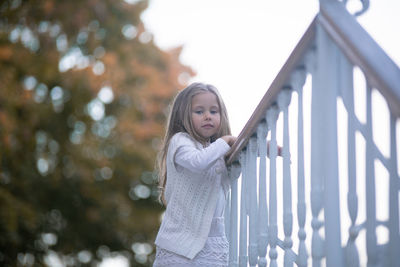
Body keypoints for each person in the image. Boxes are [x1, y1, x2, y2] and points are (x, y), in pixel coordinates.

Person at [153, 82, 236, 267]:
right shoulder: (180, 141)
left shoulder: (215, 150)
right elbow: (198, 162)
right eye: (199, 111)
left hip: (212, 240)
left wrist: (266, 148)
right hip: (179, 245)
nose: (207, 116)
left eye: (214, 112)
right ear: (183, 116)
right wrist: (226, 140)